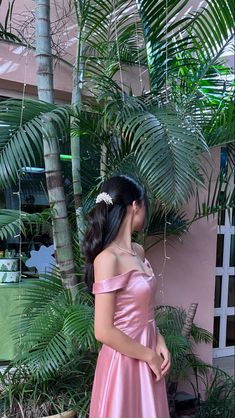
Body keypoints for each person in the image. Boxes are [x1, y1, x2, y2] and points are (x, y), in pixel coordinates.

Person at [83, 175, 171, 418]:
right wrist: (149, 355)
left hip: (148, 357)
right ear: (135, 206)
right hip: (123, 364)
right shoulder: (107, 259)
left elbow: (143, 309)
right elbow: (102, 330)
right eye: (145, 206)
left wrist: (159, 339)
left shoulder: (138, 251)